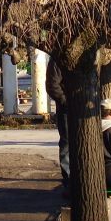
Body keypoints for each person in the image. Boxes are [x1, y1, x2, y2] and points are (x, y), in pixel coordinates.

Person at [46, 58, 69, 193]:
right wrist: (65, 101)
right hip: (67, 110)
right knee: (67, 145)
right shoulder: (57, 59)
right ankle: (69, 182)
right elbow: (52, 85)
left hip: (83, 108)